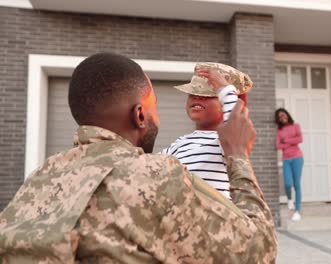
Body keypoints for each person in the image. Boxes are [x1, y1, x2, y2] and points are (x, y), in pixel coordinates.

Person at [0, 53, 277, 263]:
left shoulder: (40, 177)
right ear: (140, 115)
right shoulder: (157, 175)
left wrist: (227, 94)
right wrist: (238, 155)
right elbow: (260, 250)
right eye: (153, 105)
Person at [161, 63, 252, 199]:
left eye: (208, 94)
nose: (197, 97)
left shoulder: (225, 142)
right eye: (192, 93)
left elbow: (236, 122)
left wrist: (225, 89)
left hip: (218, 218)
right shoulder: (179, 143)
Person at [275, 108, 304, 221]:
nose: (283, 117)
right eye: (280, 117)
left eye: (284, 115)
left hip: (297, 157)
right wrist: (292, 140)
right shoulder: (279, 131)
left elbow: (300, 139)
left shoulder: (296, 126)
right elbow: (278, 146)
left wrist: (286, 141)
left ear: (287, 115)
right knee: (287, 184)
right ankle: (290, 199)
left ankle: (297, 211)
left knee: (296, 184)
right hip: (286, 159)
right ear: (278, 120)